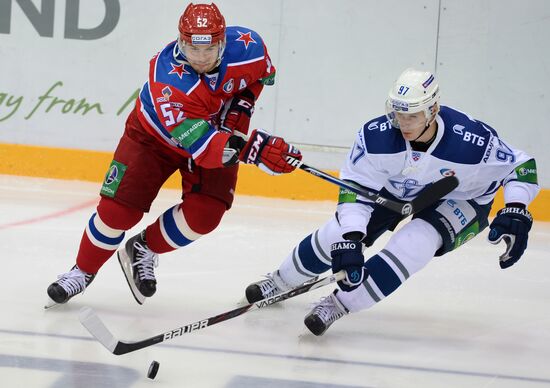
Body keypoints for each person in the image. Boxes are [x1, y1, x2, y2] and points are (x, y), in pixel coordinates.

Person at [244, 68, 540, 336]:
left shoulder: (473, 141)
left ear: (433, 110)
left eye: (412, 116)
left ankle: (339, 304)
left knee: (416, 243)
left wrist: (516, 206)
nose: (403, 123)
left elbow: (521, 166)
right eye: (398, 114)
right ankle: (281, 281)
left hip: (464, 198)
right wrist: (350, 237)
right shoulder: (376, 138)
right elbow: (355, 189)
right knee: (336, 234)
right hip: (399, 188)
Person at [46, 2, 301, 306]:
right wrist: (254, 148)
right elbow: (204, 149)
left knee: (205, 215)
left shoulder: (250, 47)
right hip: (153, 139)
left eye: (209, 50)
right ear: (181, 42)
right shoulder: (168, 79)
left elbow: (257, 79)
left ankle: (143, 248)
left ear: (223, 42)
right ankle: (81, 272)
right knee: (118, 212)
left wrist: (240, 112)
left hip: (215, 137)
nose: (201, 58)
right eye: (193, 49)